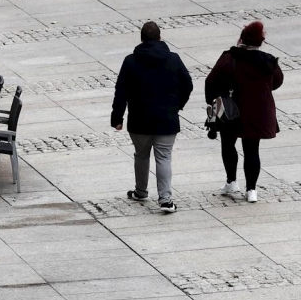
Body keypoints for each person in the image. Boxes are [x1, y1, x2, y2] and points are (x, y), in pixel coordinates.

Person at [111, 21, 193, 213]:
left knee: (141, 155)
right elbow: (187, 85)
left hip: (139, 120)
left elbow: (120, 91)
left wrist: (117, 117)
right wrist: (177, 106)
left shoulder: (130, 61)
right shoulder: (173, 59)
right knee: (163, 158)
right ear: (160, 37)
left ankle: (141, 191)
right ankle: (165, 200)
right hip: (167, 120)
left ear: (141, 39)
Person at [205, 21, 283, 203]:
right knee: (252, 149)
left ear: (242, 39)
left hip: (232, 110)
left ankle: (232, 181)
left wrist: (213, 103)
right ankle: (251, 190)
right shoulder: (268, 61)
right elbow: (277, 81)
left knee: (227, 144)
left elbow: (211, 82)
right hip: (257, 111)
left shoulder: (229, 58)